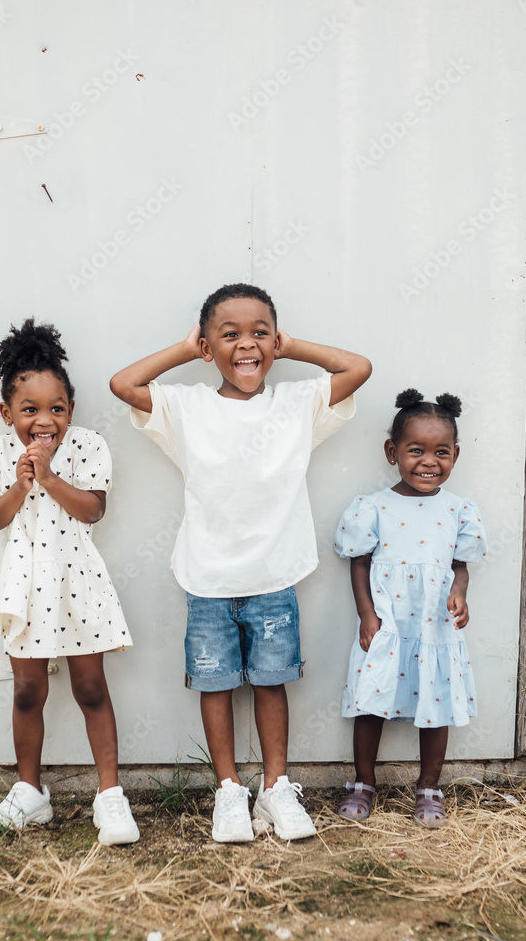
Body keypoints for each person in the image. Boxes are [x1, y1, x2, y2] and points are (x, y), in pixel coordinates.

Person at [110, 283, 371, 842]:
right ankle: (229, 790)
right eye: (230, 335)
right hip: (207, 578)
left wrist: (291, 345)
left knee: (273, 684)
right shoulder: (187, 407)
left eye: (260, 334)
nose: (247, 345)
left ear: (275, 341)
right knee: (216, 685)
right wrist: (188, 350)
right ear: (208, 347)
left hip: (274, 576)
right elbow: (123, 384)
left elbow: (358, 368)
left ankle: (276, 788)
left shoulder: (296, 403)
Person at [0, 318, 138, 845]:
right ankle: (30, 792)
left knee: (91, 687)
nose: (45, 421)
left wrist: (49, 476)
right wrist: (21, 485)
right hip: (24, 582)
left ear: (71, 409)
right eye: (30, 410)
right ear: (7, 414)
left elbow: (93, 510)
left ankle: (109, 794)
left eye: (57, 409)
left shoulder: (87, 446)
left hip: (77, 578)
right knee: (27, 690)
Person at [333, 389, 487, 828]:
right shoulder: (374, 507)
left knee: (436, 702)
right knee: (371, 700)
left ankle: (428, 787)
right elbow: (359, 562)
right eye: (416, 450)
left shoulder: (458, 510)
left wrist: (460, 593)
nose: (428, 462)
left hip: (435, 626)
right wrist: (367, 615)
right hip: (387, 623)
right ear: (392, 451)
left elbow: (459, 567)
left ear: (455, 455)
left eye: (441, 452)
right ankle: (363, 782)